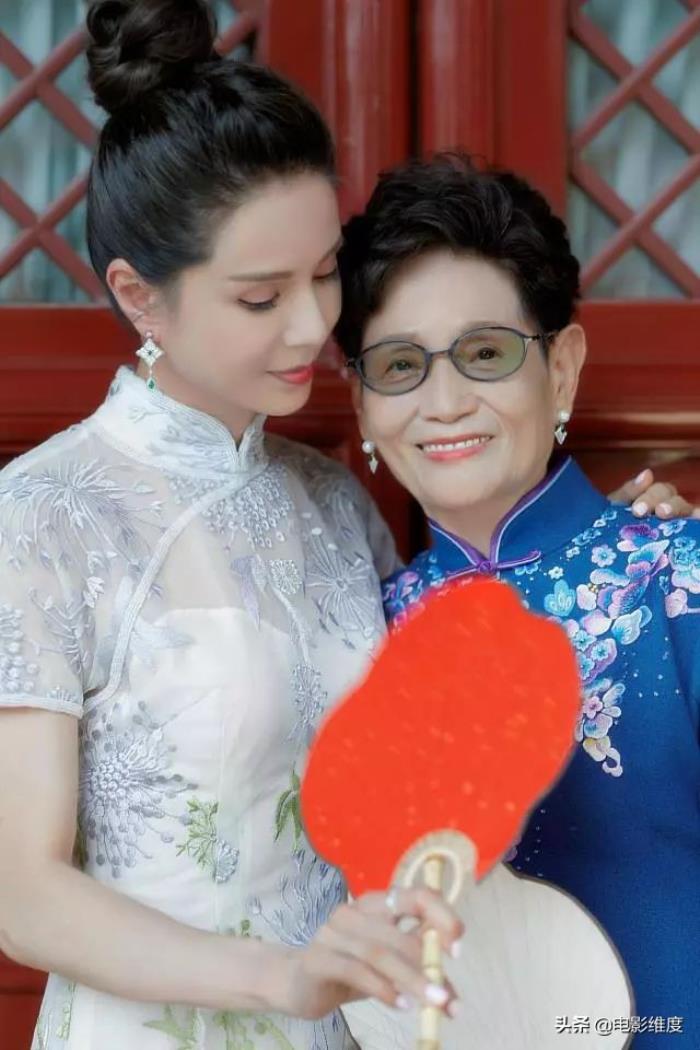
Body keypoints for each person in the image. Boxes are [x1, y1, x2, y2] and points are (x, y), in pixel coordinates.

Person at [0, 5, 466, 1049]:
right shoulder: (44, 516)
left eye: (325, 273)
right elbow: (21, 896)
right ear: (140, 297)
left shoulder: (335, 503)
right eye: (261, 298)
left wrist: (618, 546)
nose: (314, 325)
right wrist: (283, 977)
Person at [335, 152, 700, 1046]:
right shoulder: (360, 632)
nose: (444, 402)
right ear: (362, 403)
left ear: (561, 368)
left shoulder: (677, 581)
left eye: (486, 353)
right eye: (399, 365)